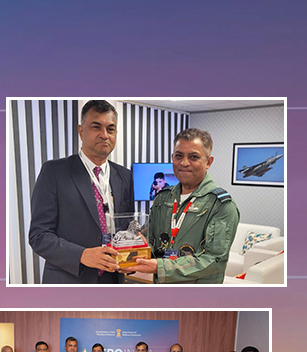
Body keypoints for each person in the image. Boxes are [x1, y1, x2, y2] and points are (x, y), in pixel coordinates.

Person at [28, 100, 134, 284]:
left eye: (110, 129)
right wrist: (82, 255)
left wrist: (134, 243)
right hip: (69, 281)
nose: (104, 135)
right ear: (81, 131)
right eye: (96, 127)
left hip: (114, 280)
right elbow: (39, 236)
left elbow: (126, 226)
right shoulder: (54, 171)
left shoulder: (124, 175)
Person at [124, 128, 240, 283]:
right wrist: (131, 255)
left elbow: (214, 259)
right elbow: (151, 241)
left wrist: (161, 267)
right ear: (173, 158)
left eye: (193, 157)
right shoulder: (162, 199)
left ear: (208, 162)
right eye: (179, 156)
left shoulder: (221, 205)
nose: (184, 163)